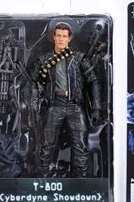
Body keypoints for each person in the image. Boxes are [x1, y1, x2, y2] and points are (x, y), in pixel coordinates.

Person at [31, 22, 103, 177]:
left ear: (69, 38)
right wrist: (34, 104)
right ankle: (41, 182)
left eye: (64, 36)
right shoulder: (44, 60)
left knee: (80, 147)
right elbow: (33, 81)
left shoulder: (79, 58)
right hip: (54, 105)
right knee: (46, 147)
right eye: (58, 35)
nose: (61, 39)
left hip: (75, 106)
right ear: (53, 37)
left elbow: (94, 81)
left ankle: (81, 183)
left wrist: (96, 108)